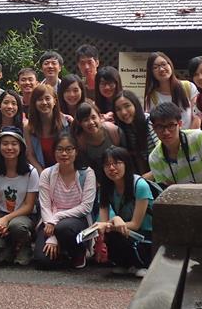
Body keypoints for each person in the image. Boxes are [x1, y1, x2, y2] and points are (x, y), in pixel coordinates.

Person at [34, 132, 96, 269]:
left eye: (69, 149)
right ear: (54, 152)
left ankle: (78, 253)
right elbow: (44, 205)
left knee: (64, 228)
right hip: (49, 219)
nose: (64, 154)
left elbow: (86, 207)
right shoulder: (47, 174)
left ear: (76, 151)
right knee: (42, 261)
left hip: (76, 220)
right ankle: (62, 251)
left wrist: (55, 219)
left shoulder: (87, 173)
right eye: (60, 149)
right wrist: (51, 232)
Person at [93, 146, 154, 277]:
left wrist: (113, 221)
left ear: (126, 164)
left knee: (121, 232)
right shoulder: (105, 188)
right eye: (107, 164)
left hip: (147, 233)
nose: (112, 168)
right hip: (126, 230)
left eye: (117, 163)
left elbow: (136, 224)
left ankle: (143, 264)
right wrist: (112, 221)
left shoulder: (140, 185)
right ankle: (124, 263)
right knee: (111, 233)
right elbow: (103, 223)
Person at [0, 127, 38, 266]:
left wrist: (6, 220)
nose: (9, 147)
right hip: (1, 215)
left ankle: (24, 246)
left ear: (21, 147)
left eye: (14, 144)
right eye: (5, 143)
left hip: (23, 217)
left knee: (17, 226)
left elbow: (29, 206)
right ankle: (9, 246)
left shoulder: (31, 172)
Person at [147, 103, 202, 186]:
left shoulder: (197, 137)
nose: (166, 132)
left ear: (180, 124)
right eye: (160, 127)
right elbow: (167, 189)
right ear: (153, 128)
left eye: (171, 125)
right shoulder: (154, 158)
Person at [143, 52, 201, 129]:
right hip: (168, 139)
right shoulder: (152, 97)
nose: (161, 69)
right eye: (155, 67)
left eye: (164, 64)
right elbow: (154, 124)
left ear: (170, 64)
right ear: (151, 72)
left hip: (192, 137)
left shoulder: (188, 87)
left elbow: (197, 116)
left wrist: (188, 137)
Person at [24, 84, 70, 172]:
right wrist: (42, 173)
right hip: (41, 172)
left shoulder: (65, 123)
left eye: (47, 98)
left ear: (55, 101)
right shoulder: (28, 127)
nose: (44, 102)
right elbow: (30, 155)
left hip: (64, 170)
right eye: (40, 99)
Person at [112, 90, 157, 175]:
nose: (123, 112)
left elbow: (163, 153)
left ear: (135, 105)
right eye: (118, 109)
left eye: (127, 106)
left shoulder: (150, 121)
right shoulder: (123, 129)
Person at [73, 102, 121, 181]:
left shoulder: (113, 131)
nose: (91, 122)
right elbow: (85, 167)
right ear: (80, 124)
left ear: (100, 117)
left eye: (93, 117)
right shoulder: (81, 142)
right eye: (85, 120)